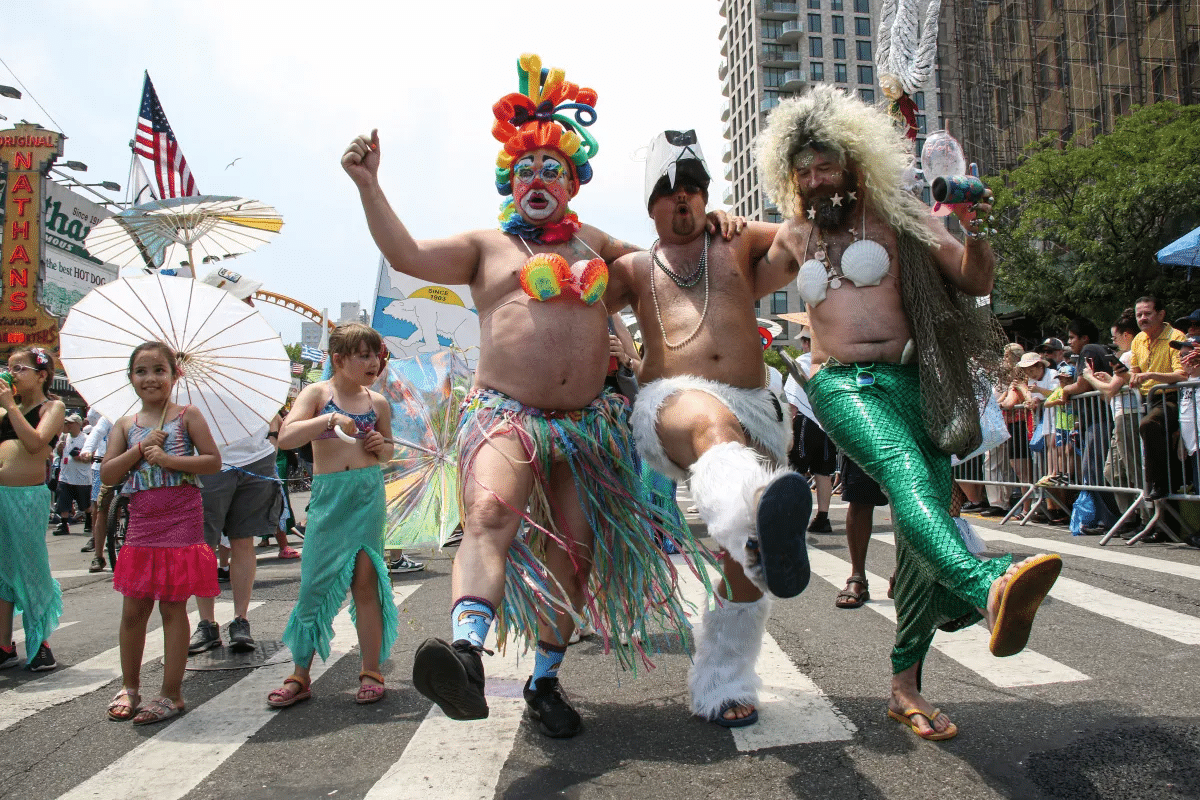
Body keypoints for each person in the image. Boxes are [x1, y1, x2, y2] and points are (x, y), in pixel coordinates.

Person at [342, 55, 719, 738]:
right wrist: (370, 185)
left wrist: (704, 221)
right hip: (505, 416)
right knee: (489, 513)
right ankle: (465, 656)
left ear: (573, 181)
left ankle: (545, 681)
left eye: (551, 168)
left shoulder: (599, 245)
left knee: (573, 551)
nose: (535, 179)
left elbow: (673, 267)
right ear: (507, 180)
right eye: (523, 170)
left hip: (586, 427)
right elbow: (404, 253)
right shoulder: (484, 247)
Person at [760, 86, 1061, 740]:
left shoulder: (902, 215)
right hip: (843, 386)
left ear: (854, 163)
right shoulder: (793, 232)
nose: (814, 178)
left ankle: (905, 689)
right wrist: (722, 235)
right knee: (902, 477)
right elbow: (740, 275)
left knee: (925, 516)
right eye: (802, 169)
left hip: (911, 382)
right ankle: (988, 587)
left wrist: (973, 226)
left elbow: (975, 280)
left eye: (826, 165)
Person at [609, 129, 811, 727]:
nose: (684, 201)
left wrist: (755, 217)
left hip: (756, 409)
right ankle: (752, 515)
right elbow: (571, 276)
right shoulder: (632, 266)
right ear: (651, 205)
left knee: (744, 556)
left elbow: (800, 238)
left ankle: (723, 684)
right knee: (708, 421)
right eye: (670, 192)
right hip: (671, 405)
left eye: (695, 191)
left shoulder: (738, 239)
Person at [268, 323, 396, 708]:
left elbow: (389, 452)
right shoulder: (317, 393)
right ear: (338, 360)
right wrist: (328, 420)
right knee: (314, 585)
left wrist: (379, 444)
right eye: (364, 355)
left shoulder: (379, 403)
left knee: (366, 583)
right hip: (328, 498)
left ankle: (371, 670)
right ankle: (300, 674)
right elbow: (286, 437)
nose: (373, 363)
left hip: (366, 495)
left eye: (377, 355)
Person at [100, 342, 222, 724]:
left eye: (158, 370)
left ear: (175, 375)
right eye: (141, 371)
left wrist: (168, 459)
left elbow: (213, 462)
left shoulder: (188, 416)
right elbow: (107, 475)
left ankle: (172, 692)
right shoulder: (124, 425)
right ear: (131, 377)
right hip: (142, 523)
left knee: (173, 607)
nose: (150, 378)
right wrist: (139, 450)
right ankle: (130, 686)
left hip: (181, 520)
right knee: (134, 608)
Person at [0, 347, 66, 671]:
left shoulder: (52, 407)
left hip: (27, 499)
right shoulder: (5, 410)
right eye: (9, 368)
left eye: (19, 369)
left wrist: (10, 406)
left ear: (41, 375)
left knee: (32, 568)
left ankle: (41, 643)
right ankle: (4, 644)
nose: (12, 374)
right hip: (0, 497)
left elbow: (36, 443)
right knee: (1, 571)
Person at [188, 424, 280, 654]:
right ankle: (207, 623)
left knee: (243, 540)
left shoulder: (257, 386)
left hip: (256, 459)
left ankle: (241, 621)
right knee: (204, 544)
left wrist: (272, 442)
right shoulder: (190, 389)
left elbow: (273, 413)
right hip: (210, 461)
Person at [1130, 296, 1187, 499]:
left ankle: (1161, 482)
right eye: (1139, 315)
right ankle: (1157, 515)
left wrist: (1152, 375)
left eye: (1147, 313)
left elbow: (1182, 375)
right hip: (1148, 400)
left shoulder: (1176, 337)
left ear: (1161, 314)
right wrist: (1118, 376)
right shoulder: (1138, 340)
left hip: (1174, 398)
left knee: (1149, 424)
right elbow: (1135, 374)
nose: (1142, 318)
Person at [784, 327, 836, 533]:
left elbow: (792, 403)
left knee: (796, 469)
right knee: (824, 473)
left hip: (805, 422)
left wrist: (788, 432)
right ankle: (823, 517)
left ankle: (793, 516)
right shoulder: (831, 364)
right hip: (827, 424)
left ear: (807, 343)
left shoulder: (802, 362)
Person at [80, 412, 114, 572]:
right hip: (107, 465)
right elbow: (97, 433)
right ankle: (98, 556)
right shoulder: (108, 417)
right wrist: (87, 450)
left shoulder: (142, 416)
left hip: (134, 465)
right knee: (101, 508)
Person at [53, 413, 91, 538]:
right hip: (65, 476)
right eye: (67, 423)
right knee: (63, 501)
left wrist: (80, 457)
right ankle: (64, 525)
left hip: (81, 478)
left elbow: (90, 457)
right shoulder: (64, 437)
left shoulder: (85, 438)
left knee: (85, 504)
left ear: (78, 424)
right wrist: (59, 448)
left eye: (70, 423)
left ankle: (89, 521)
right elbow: (59, 454)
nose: (67, 425)